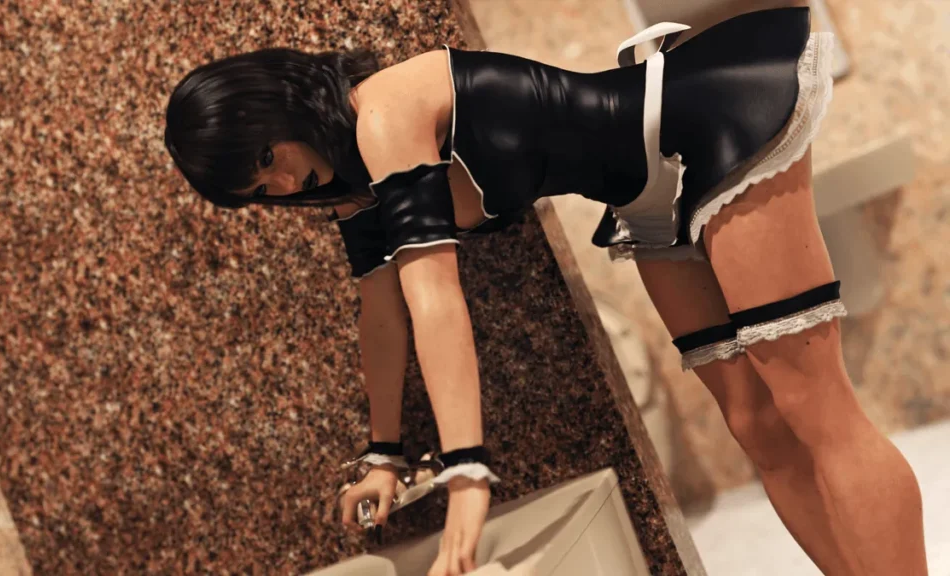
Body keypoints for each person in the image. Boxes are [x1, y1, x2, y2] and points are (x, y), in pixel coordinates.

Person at [163, 6, 927, 575]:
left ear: (276, 104)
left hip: (698, 120)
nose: (283, 184)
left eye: (266, 157)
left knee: (812, 404)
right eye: (258, 190)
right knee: (755, 423)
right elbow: (383, 317)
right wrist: (383, 454)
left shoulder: (385, 115)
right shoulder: (353, 188)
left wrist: (468, 469)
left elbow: (436, 298)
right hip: (642, 195)